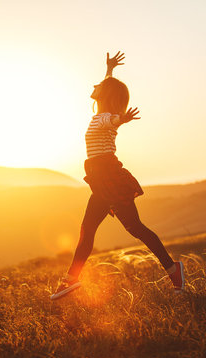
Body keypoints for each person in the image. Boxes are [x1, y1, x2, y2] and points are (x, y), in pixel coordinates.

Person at [50, 51, 185, 300]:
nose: (94, 85)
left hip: (108, 178)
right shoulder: (100, 111)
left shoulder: (103, 117)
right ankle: (70, 280)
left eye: (99, 85)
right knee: (87, 229)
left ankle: (172, 269)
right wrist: (109, 70)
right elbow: (108, 98)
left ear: (105, 94)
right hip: (101, 181)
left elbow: (112, 119)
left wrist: (122, 119)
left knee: (135, 228)